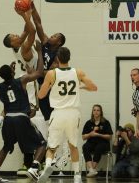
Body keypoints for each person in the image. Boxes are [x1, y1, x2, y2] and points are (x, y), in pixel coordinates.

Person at [0, 40, 46, 182]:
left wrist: (10, 71)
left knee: (6, 146)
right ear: (13, 72)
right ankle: (33, 168)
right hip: (21, 117)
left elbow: (7, 77)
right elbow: (39, 73)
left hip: (8, 119)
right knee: (42, 144)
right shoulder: (21, 80)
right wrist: (39, 51)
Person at [38, 47, 97, 183]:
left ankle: (47, 166)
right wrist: (80, 86)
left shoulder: (52, 74)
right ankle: (77, 175)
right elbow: (94, 87)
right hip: (73, 113)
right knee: (73, 145)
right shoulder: (78, 72)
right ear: (69, 58)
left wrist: (51, 87)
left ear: (57, 58)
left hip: (58, 113)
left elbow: (41, 95)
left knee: (52, 147)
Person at [27, 0, 66, 122]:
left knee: (54, 119)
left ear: (59, 42)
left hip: (52, 89)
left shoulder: (58, 55)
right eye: (53, 34)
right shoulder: (45, 43)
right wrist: (32, 8)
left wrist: (35, 72)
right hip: (42, 87)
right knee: (47, 120)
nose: (51, 36)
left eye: (55, 36)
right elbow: (38, 23)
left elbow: (48, 74)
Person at [82, 104, 113, 177]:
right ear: (92, 112)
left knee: (99, 147)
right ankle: (91, 170)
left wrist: (99, 135)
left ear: (101, 112)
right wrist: (90, 134)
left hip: (103, 143)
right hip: (91, 142)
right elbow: (83, 137)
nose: (96, 112)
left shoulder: (105, 122)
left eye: (98, 110)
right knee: (85, 146)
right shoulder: (88, 123)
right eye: (94, 110)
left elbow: (110, 136)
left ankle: (92, 169)